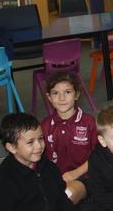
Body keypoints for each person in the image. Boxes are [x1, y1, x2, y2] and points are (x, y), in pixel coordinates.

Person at [41, 72, 96, 204]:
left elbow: (98, 155)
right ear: (49, 97)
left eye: (67, 92)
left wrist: (75, 173)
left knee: (67, 196)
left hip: (83, 177)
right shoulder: (45, 125)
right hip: (55, 178)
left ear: (76, 94)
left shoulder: (89, 123)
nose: (61, 98)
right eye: (55, 93)